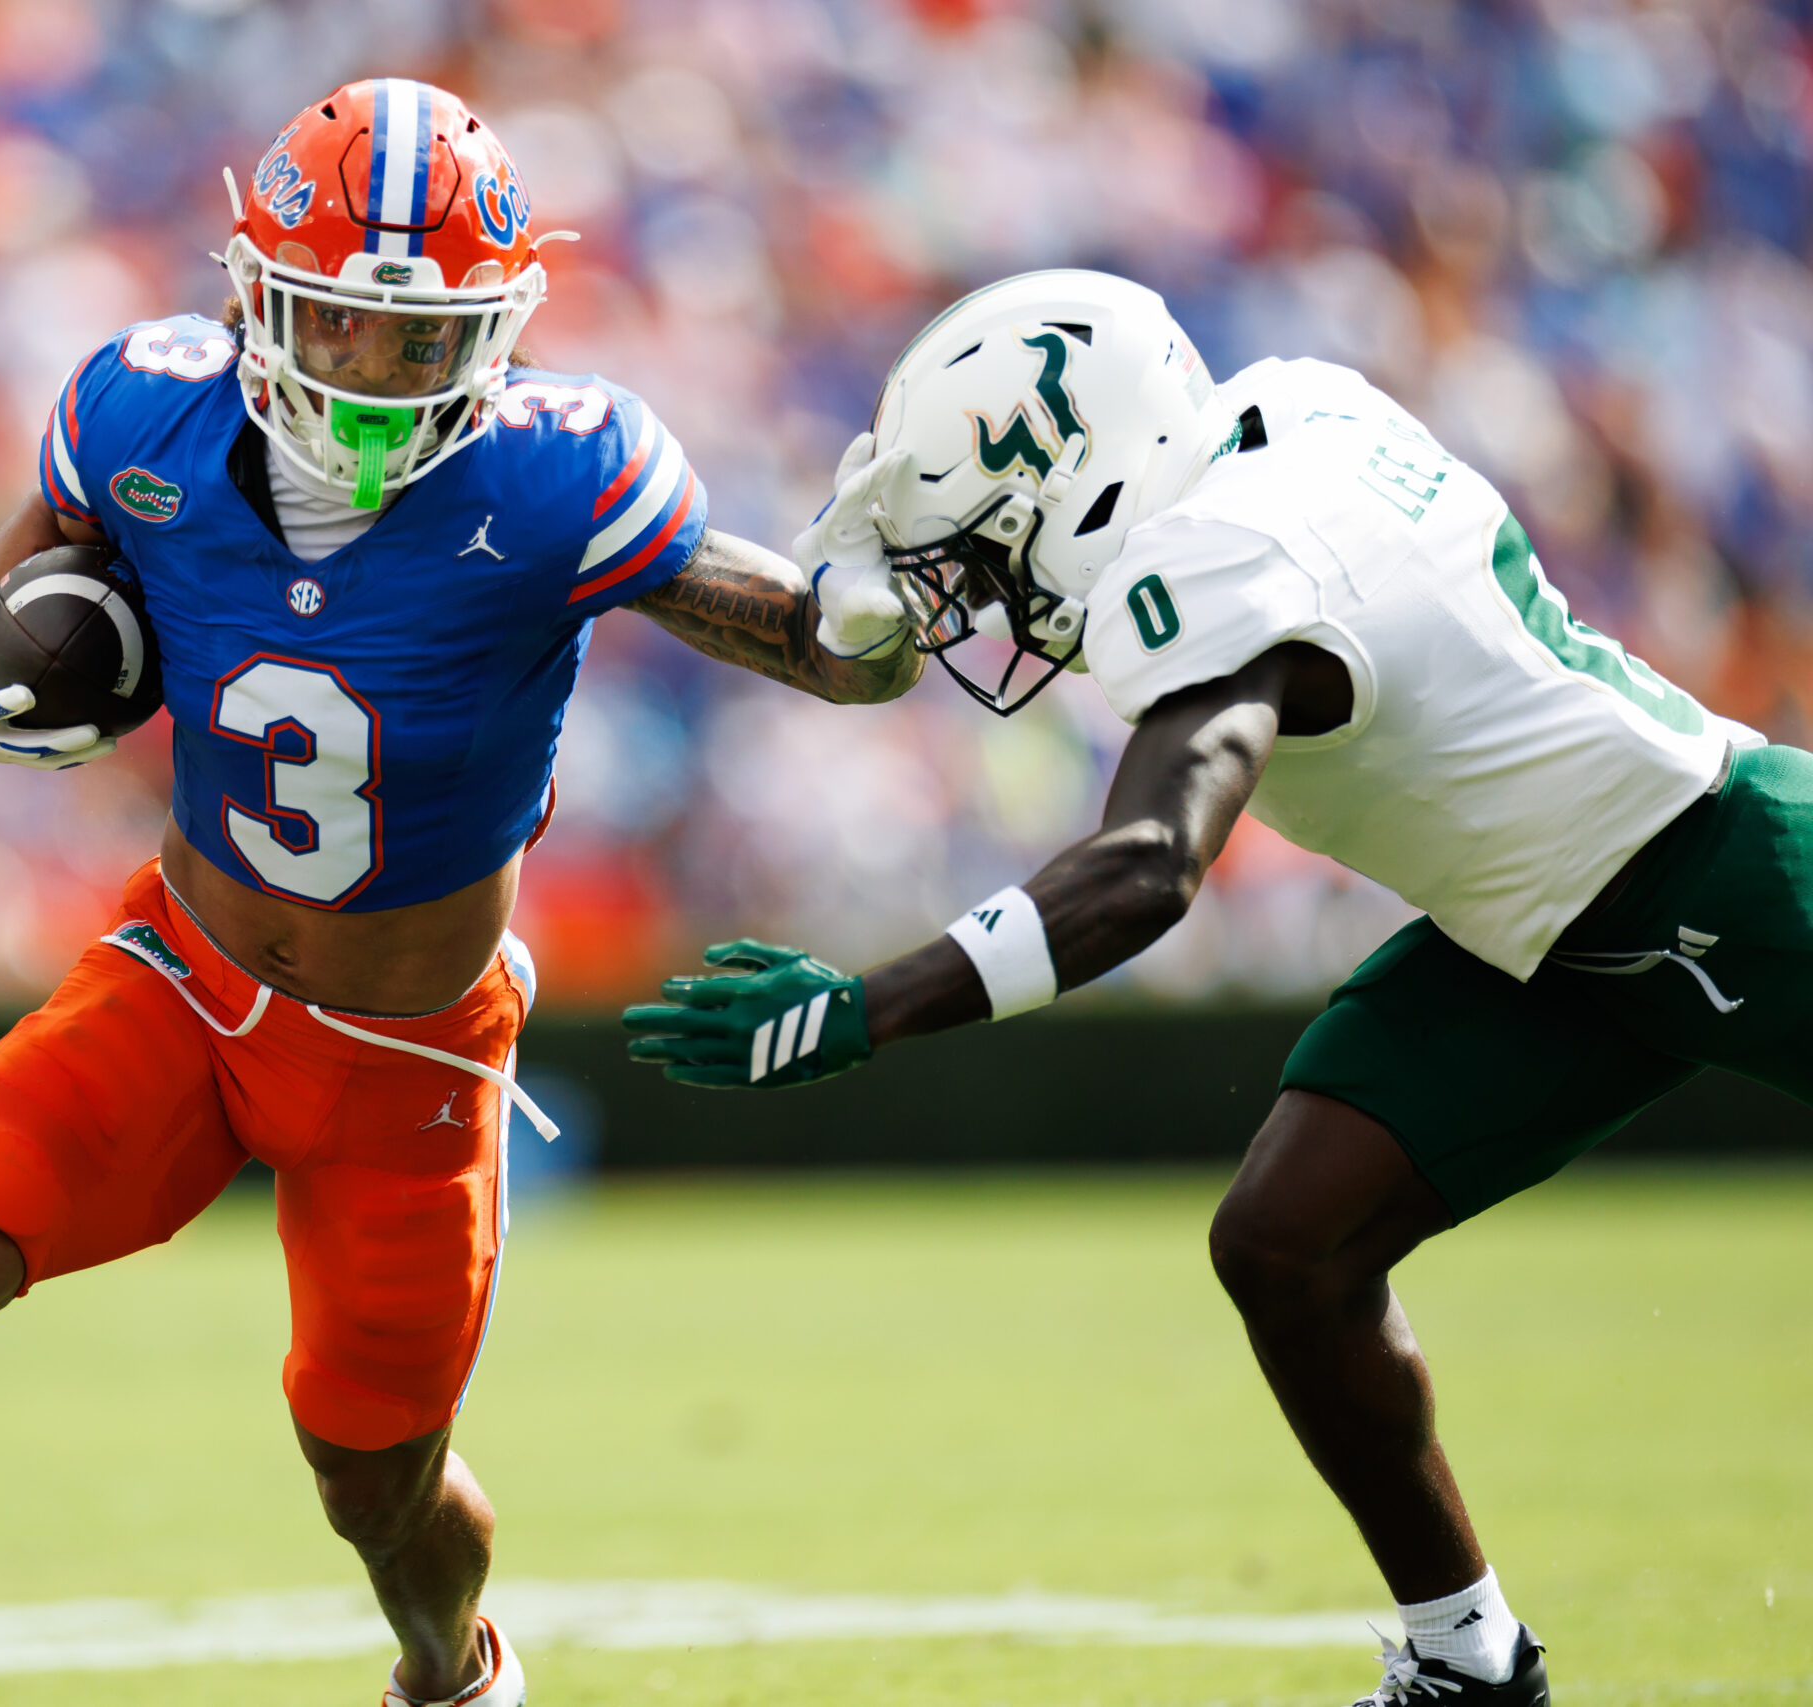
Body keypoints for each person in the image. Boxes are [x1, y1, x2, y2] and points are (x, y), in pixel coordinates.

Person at [0, 78, 918, 1707]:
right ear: (256, 296)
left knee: (375, 1484)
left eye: (422, 341)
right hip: (178, 980)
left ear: (493, 333)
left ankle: (456, 1672)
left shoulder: (561, 476)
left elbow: (777, 623)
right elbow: (35, 554)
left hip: (407, 1063)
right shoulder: (143, 415)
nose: (374, 372)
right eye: (339, 325)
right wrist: (1, 645)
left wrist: (855, 627)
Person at [624, 267, 1813, 1706]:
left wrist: (861, 1010)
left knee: (1289, 1235)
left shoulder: (1211, 563)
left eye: (990, 556)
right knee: (1287, 1241)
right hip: (1542, 932)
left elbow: (1145, 869)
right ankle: (1472, 1668)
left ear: (1073, 487)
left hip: (1723, 868)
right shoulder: (1289, 412)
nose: (986, 602)